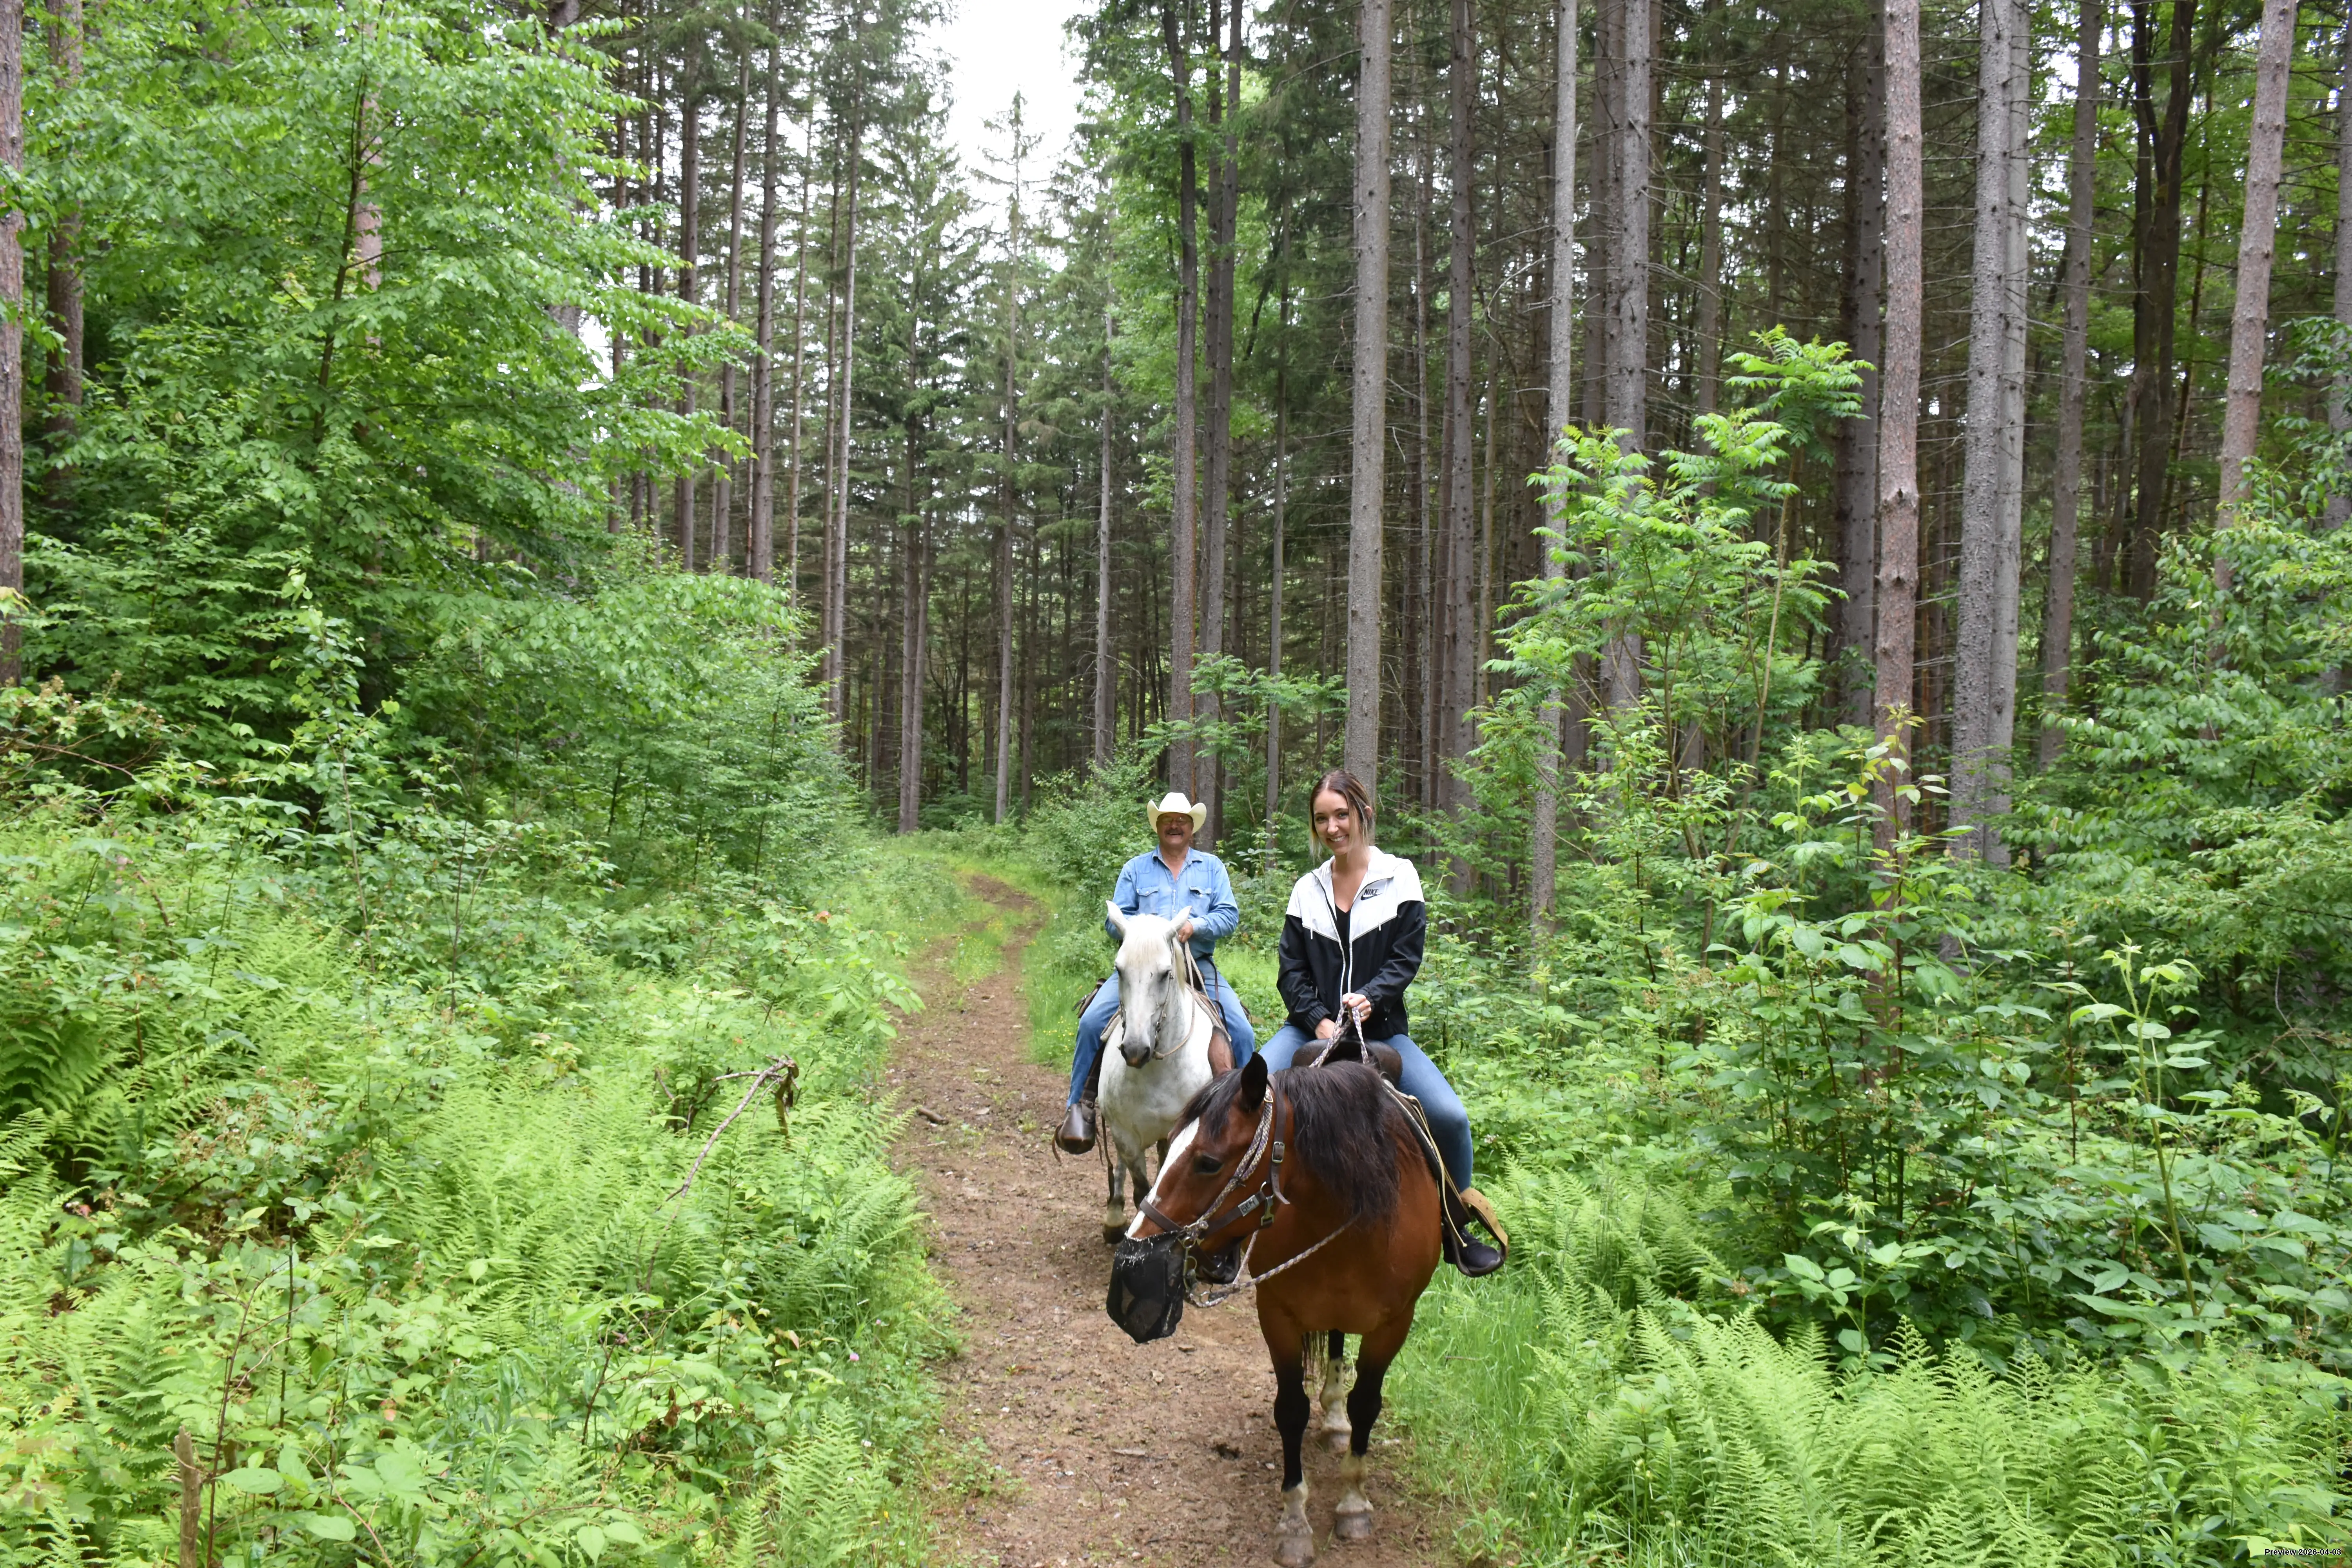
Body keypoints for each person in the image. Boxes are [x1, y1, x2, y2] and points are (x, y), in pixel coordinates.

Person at [1261, 768, 1503, 1277]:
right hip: (1310, 1030)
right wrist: (1320, 1021)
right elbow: (1291, 970)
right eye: (1322, 819)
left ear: (1363, 813)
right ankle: (1236, 1225)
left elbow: (1404, 958)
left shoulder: (1400, 877)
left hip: (1384, 1030)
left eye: (1341, 815)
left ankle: (1456, 1228)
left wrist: (1370, 999)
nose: (1332, 827)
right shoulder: (1306, 890)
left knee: (1450, 1116)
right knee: (1248, 1089)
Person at [1054, 792, 1257, 1155]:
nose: (1175, 825)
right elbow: (1113, 923)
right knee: (1091, 1024)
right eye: (1168, 820)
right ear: (1158, 826)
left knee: (1241, 1030)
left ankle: (1244, 1115)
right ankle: (1080, 1107)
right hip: (1140, 970)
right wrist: (1144, 932)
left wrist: (1196, 927)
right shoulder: (1136, 869)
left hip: (1197, 967)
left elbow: (1229, 916)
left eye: (1182, 820)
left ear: (1191, 827)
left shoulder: (1211, 868)